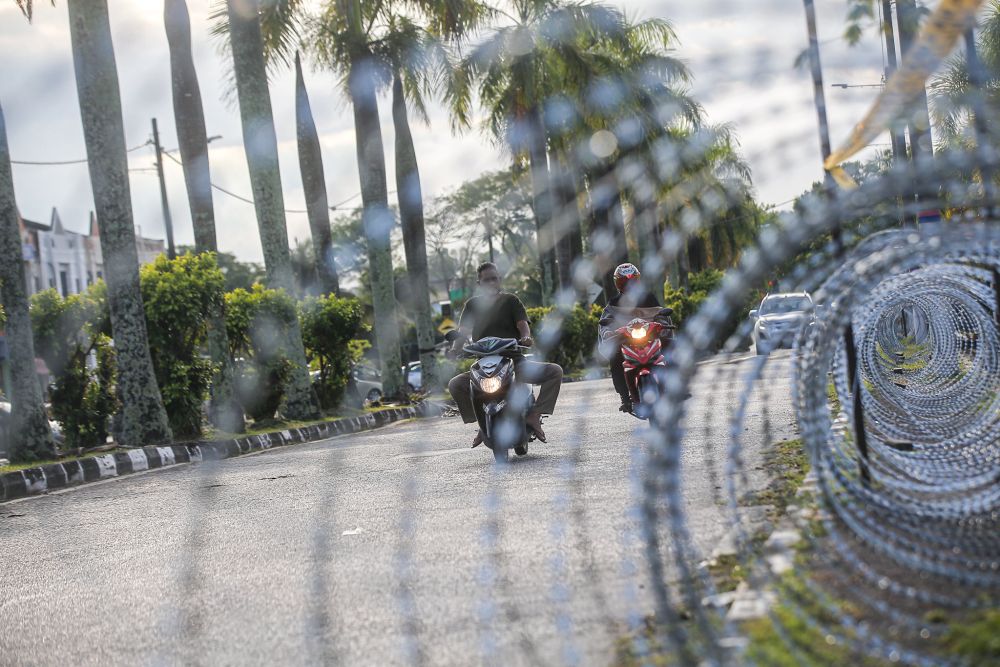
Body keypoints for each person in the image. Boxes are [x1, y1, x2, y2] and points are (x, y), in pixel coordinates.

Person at [448, 262, 563, 447]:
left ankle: (535, 415)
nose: (491, 283)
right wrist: (455, 349)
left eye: (494, 278)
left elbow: (522, 325)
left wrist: (526, 337)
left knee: (555, 372)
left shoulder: (511, 300)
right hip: (483, 366)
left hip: (515, 362)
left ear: (499, 280)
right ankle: (481, 424)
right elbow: (463, 332)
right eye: (486, 280)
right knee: (455, 384)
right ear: (479, 283)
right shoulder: (472, 305)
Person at [599, 263, 663, 413]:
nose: (629, 285)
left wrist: (662, 323)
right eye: (624, 281)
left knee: (673, 347)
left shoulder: (650, 298)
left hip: (650, 338)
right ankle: (625, 397)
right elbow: (605, 322)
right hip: (625, 341)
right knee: (615, 359)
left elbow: (660, 314)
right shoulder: (613, 303)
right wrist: (608, 332)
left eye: (632, 281)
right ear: (618, 284)